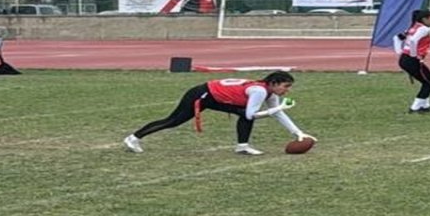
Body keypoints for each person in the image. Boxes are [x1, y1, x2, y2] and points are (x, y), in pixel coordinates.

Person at [123, 71, 314, 156]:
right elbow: (254, 114)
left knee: (244, 113)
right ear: (273, 83)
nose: (287, 90)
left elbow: (277, 114)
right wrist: (278, 108)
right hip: (202, 94)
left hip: (216, 96)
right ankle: (133, 137)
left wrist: (297, 133)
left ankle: (242, 146)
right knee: (173, 121)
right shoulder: (260, 91)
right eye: (285, 86)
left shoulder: (268, 91)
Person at [394, 9, 430, 113]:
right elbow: (413, 41)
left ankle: (425, 106)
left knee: (426, 81)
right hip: (412, 60)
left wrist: (400, 52)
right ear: (424, 19)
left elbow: (396, 38)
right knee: (429, 83)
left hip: (405, 59)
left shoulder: (414, 27)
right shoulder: (424, 29)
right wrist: (414, 55)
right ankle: (415, 108)